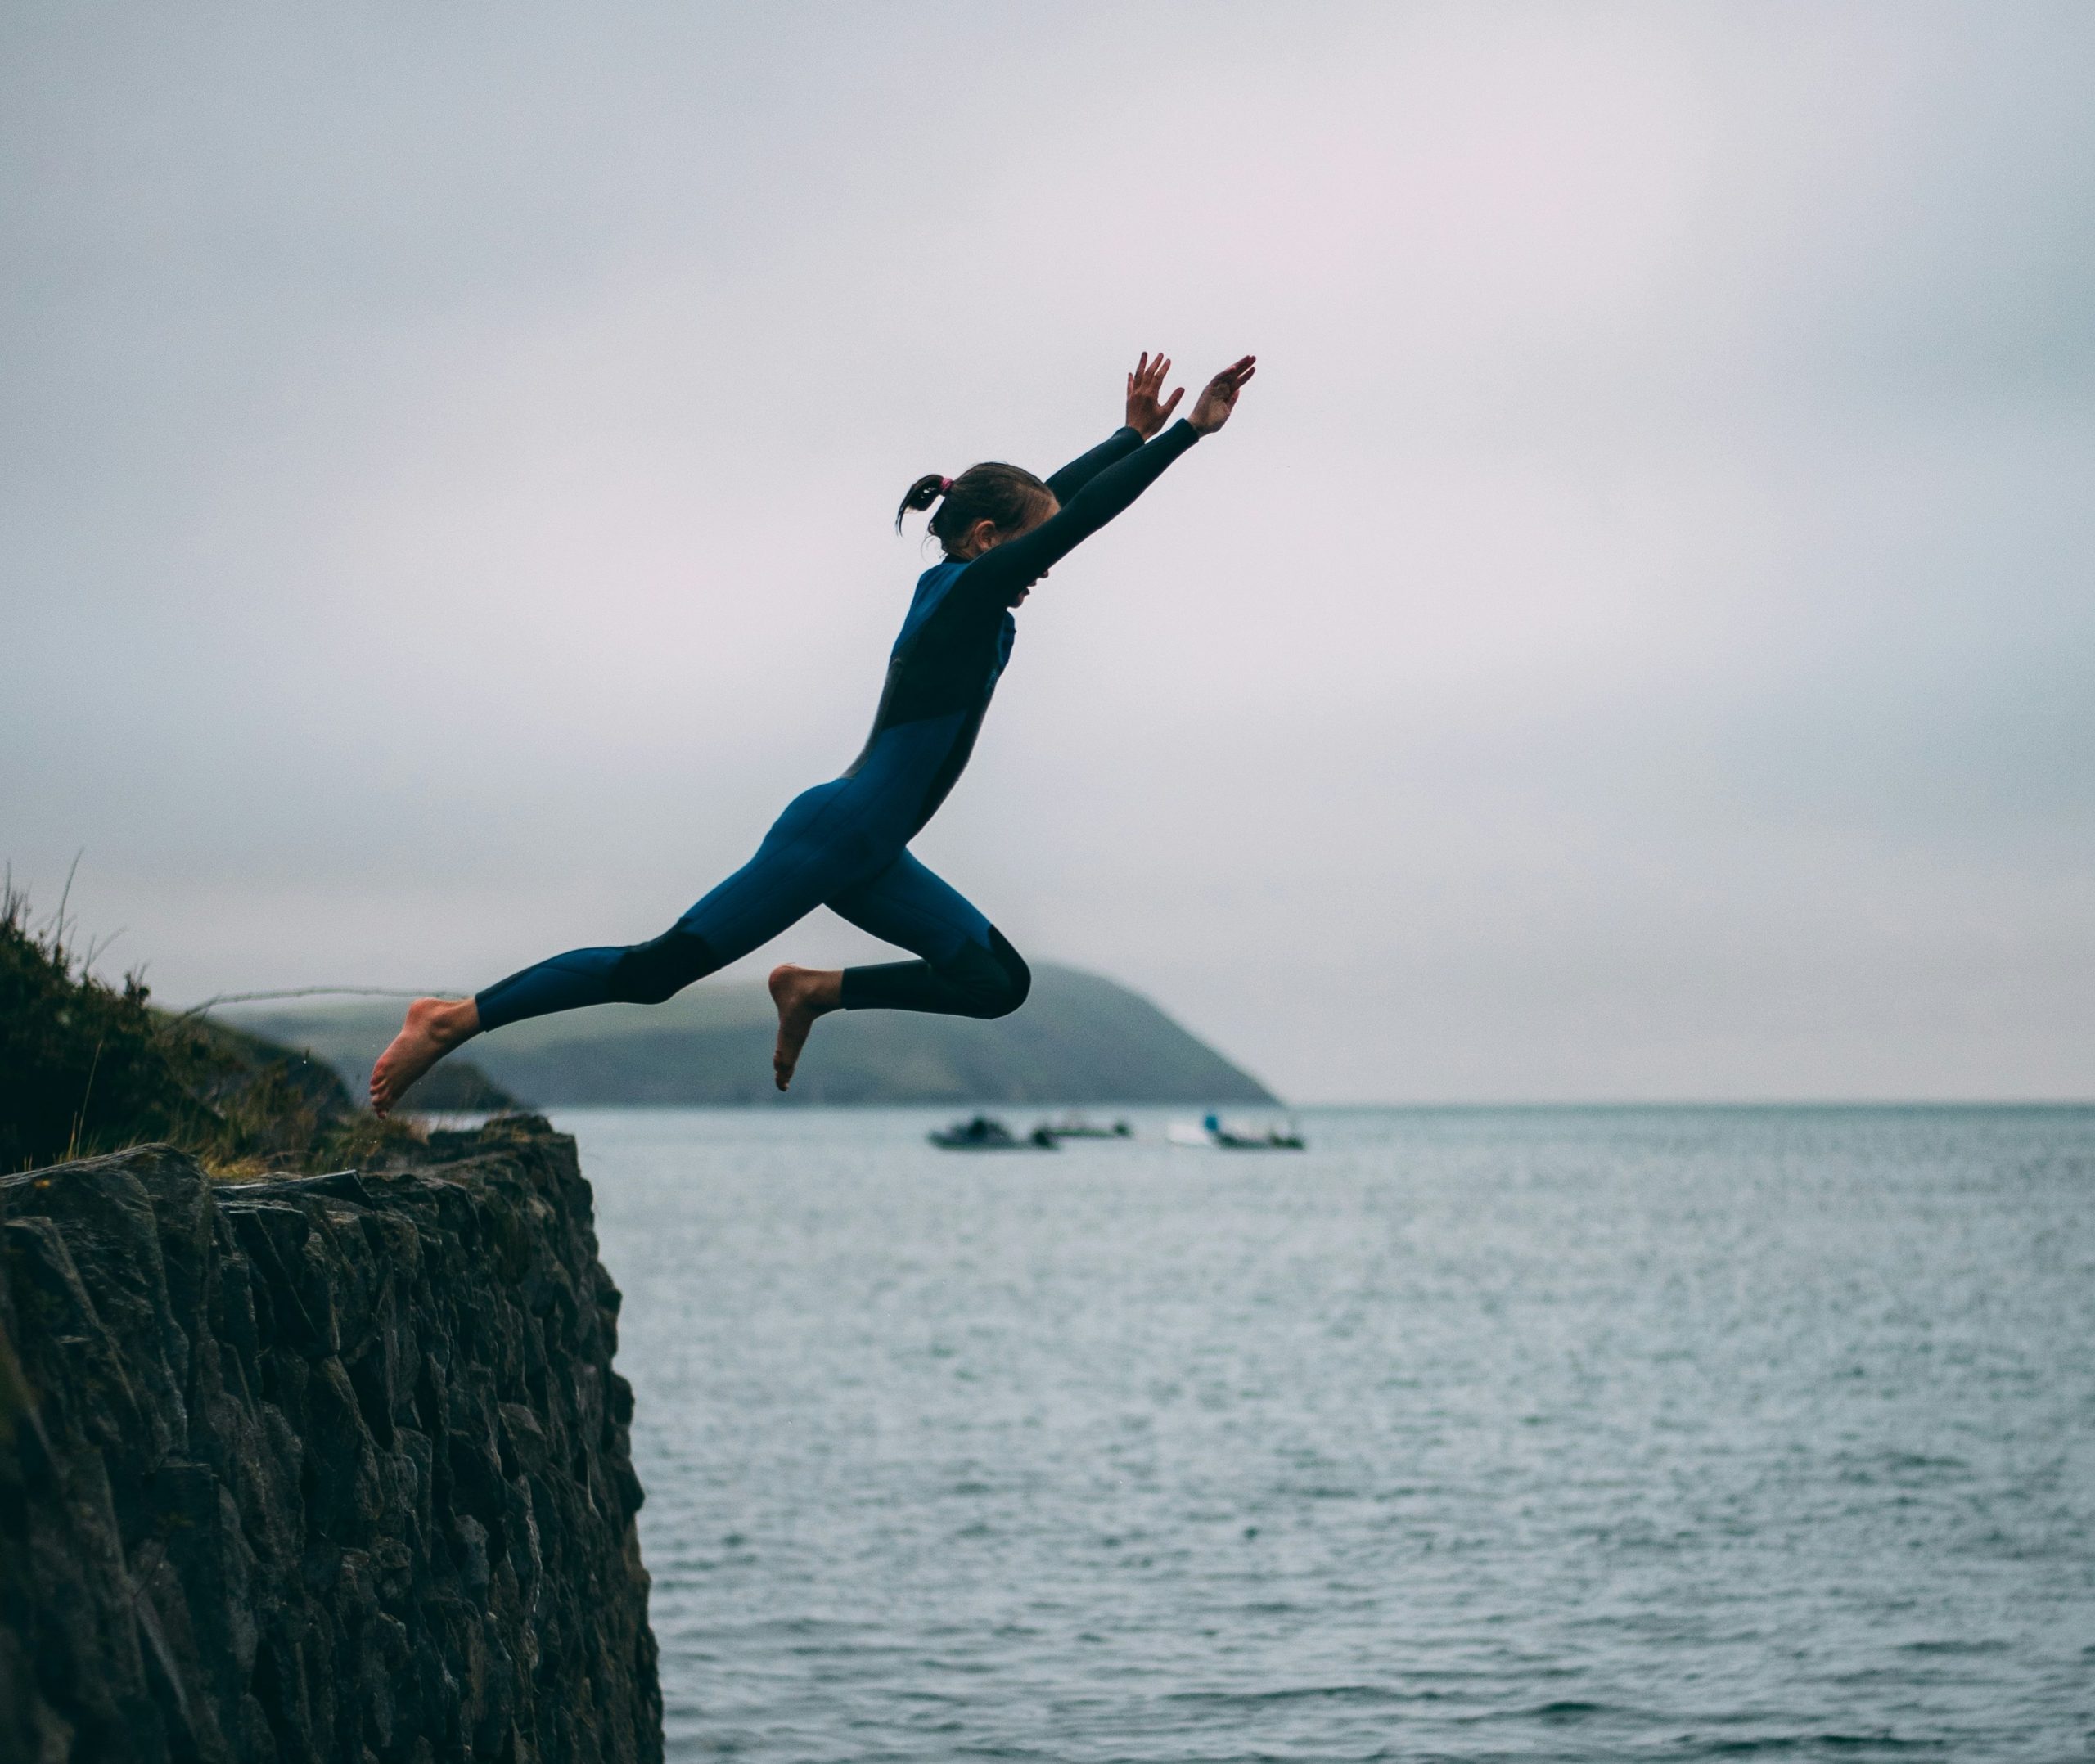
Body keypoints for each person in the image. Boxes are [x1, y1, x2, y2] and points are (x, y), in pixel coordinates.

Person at [370, 350, 1256, 1114]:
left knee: (996, 983)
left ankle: (812, 990)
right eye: (1031, 549)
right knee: (654, 973)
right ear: (987, 539)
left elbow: (1055, 505)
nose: (1044, 568)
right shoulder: (969, 598)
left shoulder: (963, 584)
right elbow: (1079, 518)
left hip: (870, 848)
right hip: (833, 836)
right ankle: (450, 1019)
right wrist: (1187, 435)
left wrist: (1127, 436)